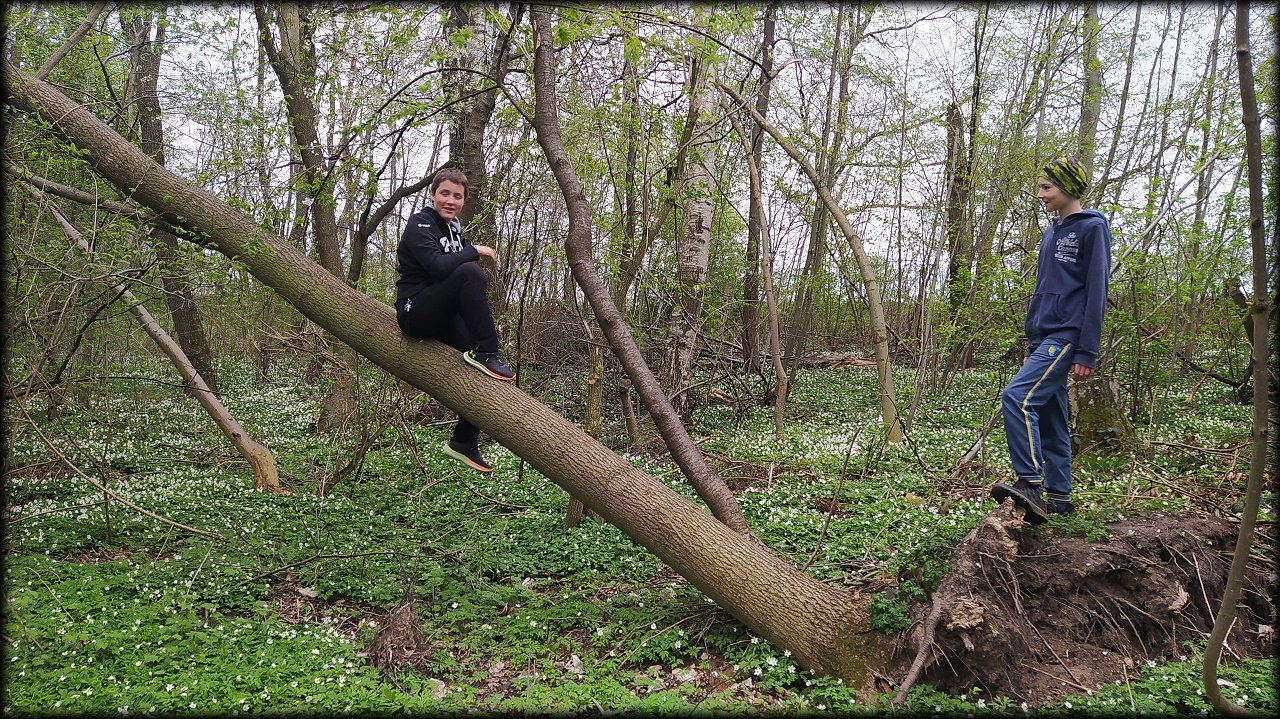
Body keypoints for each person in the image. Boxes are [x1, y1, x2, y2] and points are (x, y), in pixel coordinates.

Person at [990, 156, 1112, 523]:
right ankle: (1060, 499)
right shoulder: (1049, 233)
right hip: (1044, 336)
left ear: (1068, 188)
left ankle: (1029, 483)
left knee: (1016, 397)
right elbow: (1044, 289)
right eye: (1040, 187)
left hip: (1068, 334)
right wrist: (1032, 345)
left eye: (1047, 188)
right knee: (1051, 417)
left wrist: (1087, 351)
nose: (1040, 194)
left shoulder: (1092, 228)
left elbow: (1097, 290)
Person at [396, 167, 515, 473]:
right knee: (469, 272)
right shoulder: (420, 223)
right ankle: (487, 350)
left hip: (441, 315)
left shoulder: (454, 231)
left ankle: (463, 440)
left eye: (457, 196)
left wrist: (465, 247)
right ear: (433, 194)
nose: (450, 201)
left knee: (486, 374)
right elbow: (437, 266)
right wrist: (474, 250)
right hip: (414, 311)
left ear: (463, 200)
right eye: (444, 194)